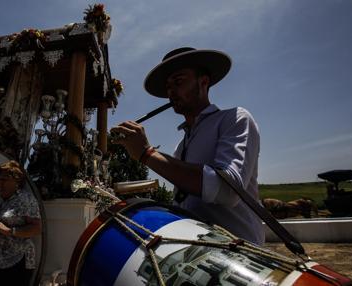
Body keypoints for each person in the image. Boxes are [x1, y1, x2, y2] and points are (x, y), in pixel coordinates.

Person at [111, 47, 264, 245]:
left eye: (179, 82)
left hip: (246, 258)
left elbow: (228, 191)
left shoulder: (235, 119)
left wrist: (147, 153)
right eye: (168, 87)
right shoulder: (181, 146)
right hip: (203, 255)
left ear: (203, 82)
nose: (171, 92)